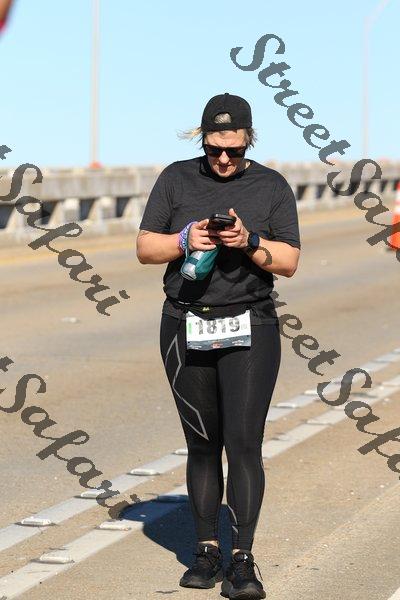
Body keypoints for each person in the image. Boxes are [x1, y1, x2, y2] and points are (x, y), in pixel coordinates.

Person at [136, 92, 301, 600]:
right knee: (202, 443)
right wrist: (185, 238)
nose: (224, 158)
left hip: (251, 324)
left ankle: (243, 560)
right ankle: (206, 551)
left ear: (249, 140)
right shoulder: (176, 179)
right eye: (214, 149)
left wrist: (249, 242)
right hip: (184, 323)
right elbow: (144, 248)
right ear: (202, 140)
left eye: (234, 149)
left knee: (243, 443)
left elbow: (289, 262)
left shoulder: (271, 186)